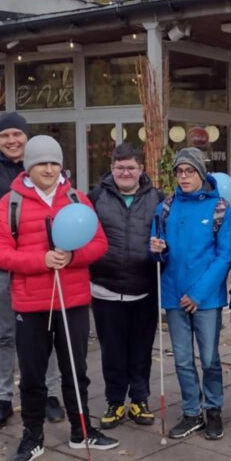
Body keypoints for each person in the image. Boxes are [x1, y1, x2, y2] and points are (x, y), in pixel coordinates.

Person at [0, 135, 117, 461]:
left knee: (76, 370)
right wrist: (40, 261)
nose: (48, 168)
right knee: (32, 374)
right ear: (29, 165)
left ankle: (81, 429)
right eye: (41, 163)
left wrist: (72, 256)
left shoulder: (76, 198)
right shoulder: (10, 203)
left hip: (71, 299)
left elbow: (99, 243)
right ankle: (33, 436)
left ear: (61, 165)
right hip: (30, 304)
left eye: (53, 162)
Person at [0, 112, 65, 429]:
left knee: (45, 333)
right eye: (5, 135)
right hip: (2, 271)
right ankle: (3, 398)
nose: (12, 140)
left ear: (26, 137)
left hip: (41, 270)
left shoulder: (45, 171)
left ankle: (49, 394)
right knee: (4, 336)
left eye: (17, 135)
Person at [149, 148, 231, 440]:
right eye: (179, 172)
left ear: (201, 174)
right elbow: (158, 254)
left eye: (190, 171)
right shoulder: (165, 208)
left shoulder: (220, 208)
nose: (184, 177)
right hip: (174, 295)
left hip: (206, 299)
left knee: (210, 358)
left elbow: (224, 257)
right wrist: (157, 253)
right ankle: (191, 412)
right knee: (183, 360)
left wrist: (198, 294)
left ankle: (213, 409)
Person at [88, 143, 162, 429]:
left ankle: (140, 400)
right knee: (112, 350)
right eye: (120, 167)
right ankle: (115, 401)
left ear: (141, 169)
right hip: (105, 288)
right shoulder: (95, 198)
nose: (125, 172)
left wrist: (162, 249)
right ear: (112, 169)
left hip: (144, 287)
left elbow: (168, 238)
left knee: (141, 350)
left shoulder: (157, 199)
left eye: (131, 167)